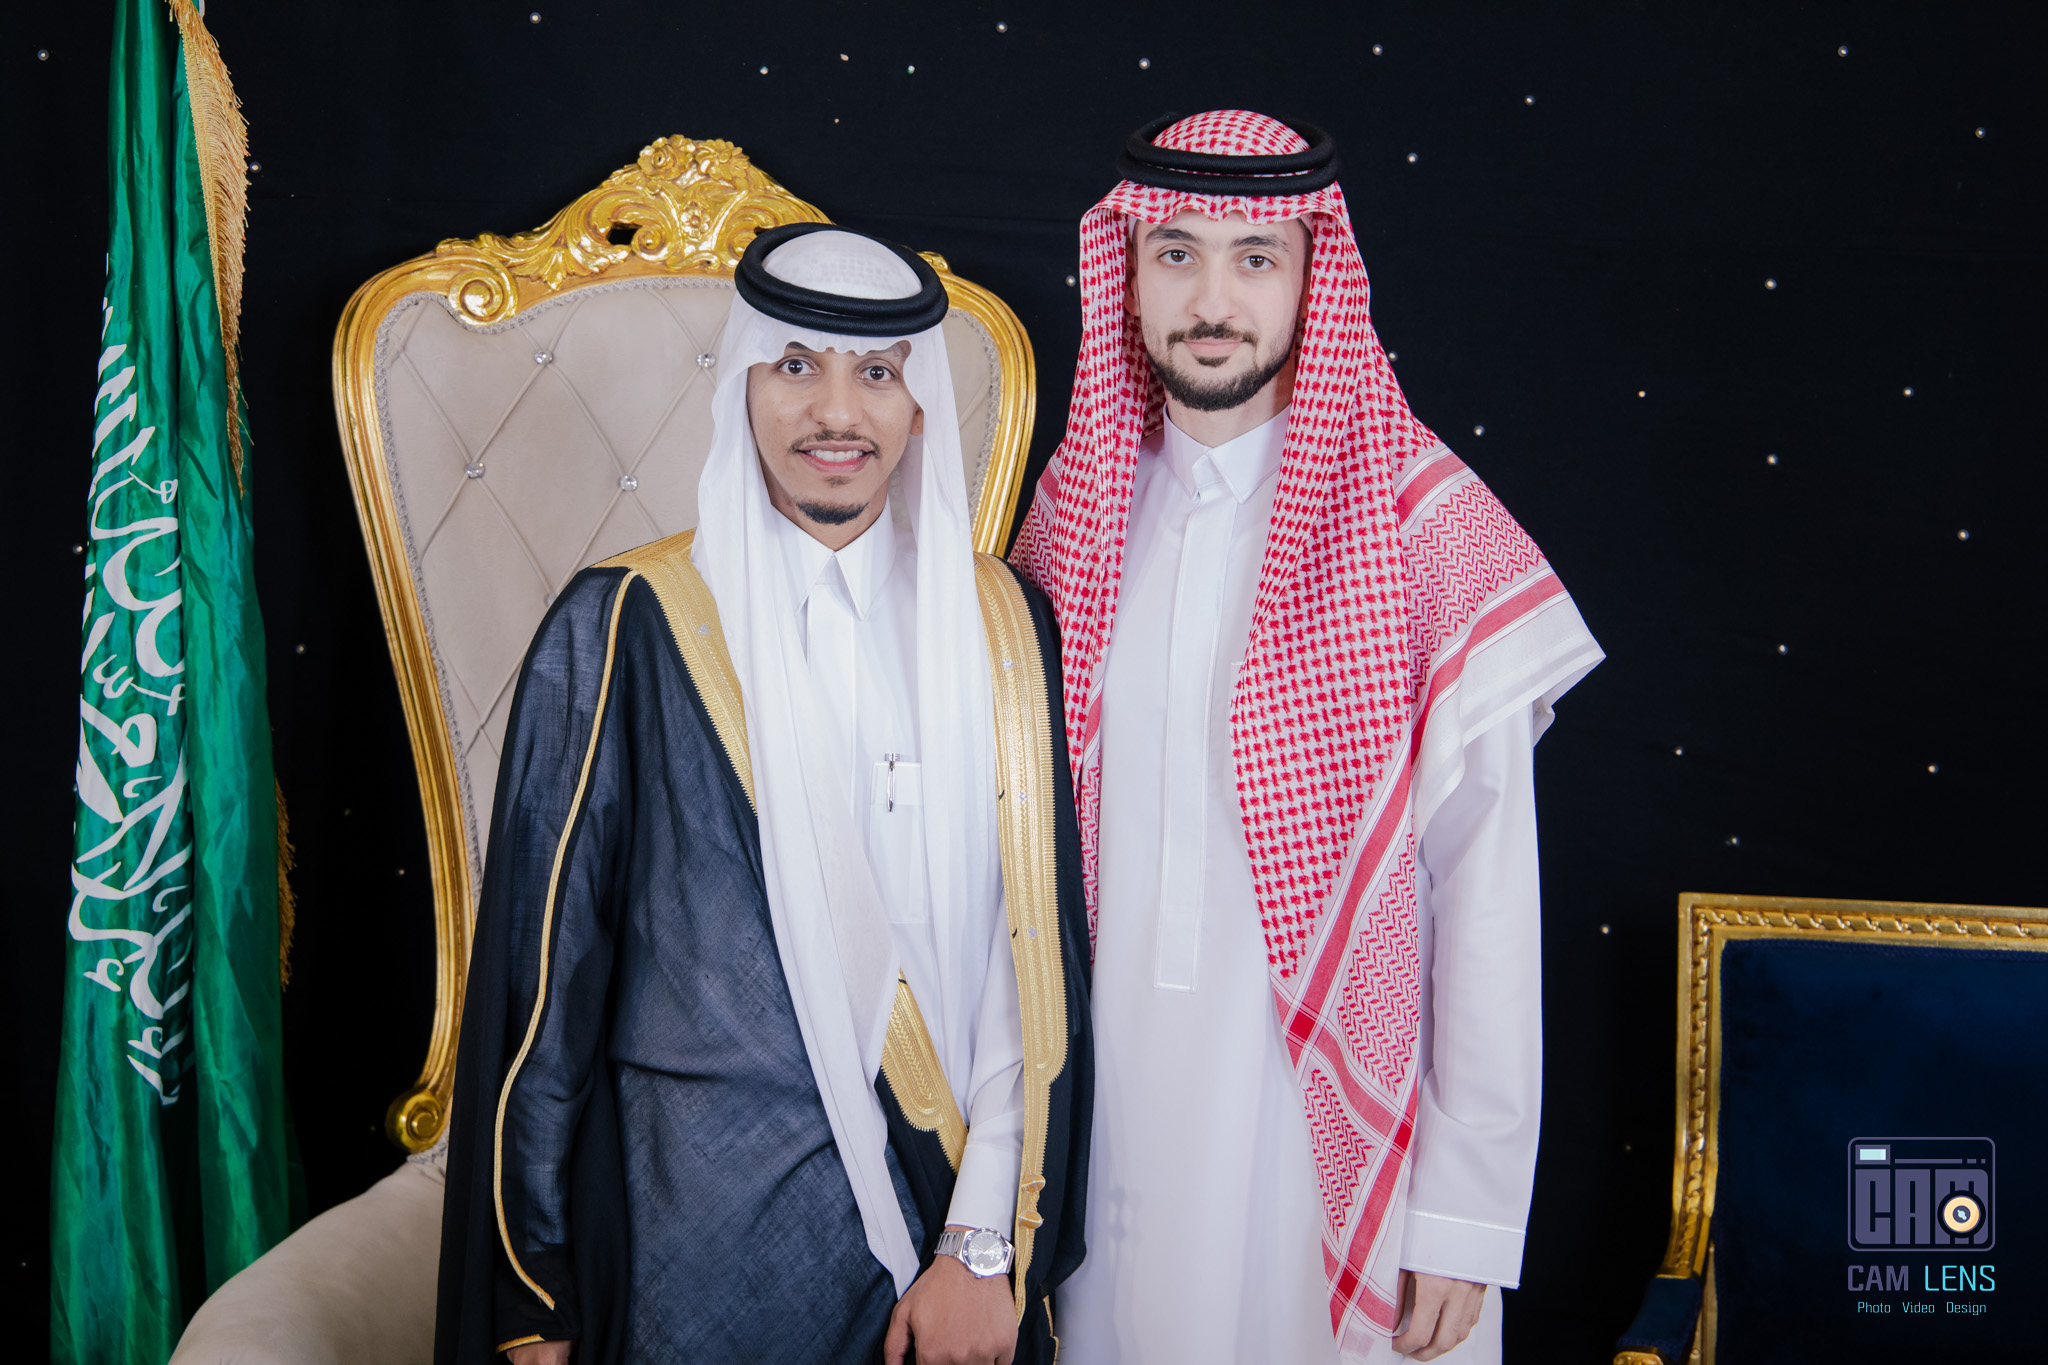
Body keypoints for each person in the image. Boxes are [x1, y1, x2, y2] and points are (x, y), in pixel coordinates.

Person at [436, 224, 1092, 1365]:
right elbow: (543, 997)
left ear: (919, 405)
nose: (835, 412)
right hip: (694, 1256)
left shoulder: (1001, 626)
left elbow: (1027, 970)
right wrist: (531, 1301)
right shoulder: (625, 625)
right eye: (795, 365)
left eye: (875, 372)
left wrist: (982, 1247)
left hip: (950, 1262)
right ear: (741, 385)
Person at [1010, 111, 1603, 1363]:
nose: (1210, 301)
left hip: (1330, 1132)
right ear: (1125, 273)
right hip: (1107, 1130)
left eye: (1254, 258)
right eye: (1175, 254)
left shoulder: (1421, 528)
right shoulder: (1070, 516)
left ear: (1310, 277)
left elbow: (1488, 895)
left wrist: (1463, 1214)